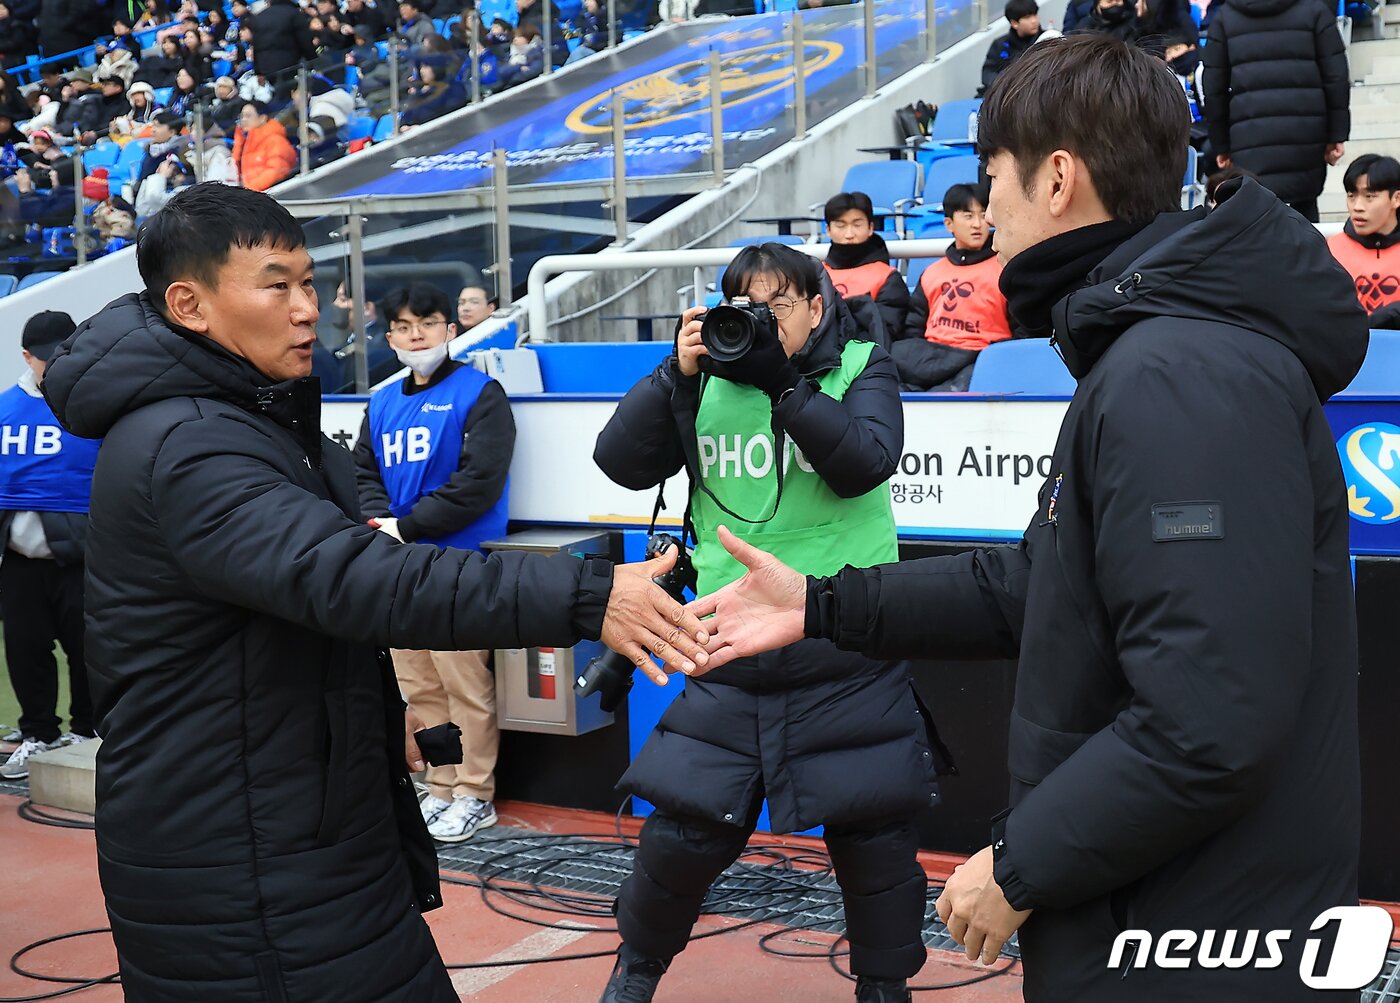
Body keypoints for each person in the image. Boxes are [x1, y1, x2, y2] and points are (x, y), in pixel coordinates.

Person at [689, 36, 1367, 1002]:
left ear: (1056, 179)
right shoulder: (1153, 354)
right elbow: (1043, 583)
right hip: (1158, 905)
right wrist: (820, 603)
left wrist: (1018, 864)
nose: (984, 208)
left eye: (992, 176)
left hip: (1195, 936)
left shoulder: (1180, 372)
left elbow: (1208, 724)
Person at [40, 183, 710, 1002]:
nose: (306, 310)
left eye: (311, 283)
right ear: (190, 303)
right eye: (276, 285)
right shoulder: (187, 443)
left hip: (297, 838)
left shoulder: (242, 415)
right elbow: (349, 574)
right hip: (243, 868)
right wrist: (584, 591)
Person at [592, 242, 944, 1003]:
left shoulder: (859, 365)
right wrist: (670, 376)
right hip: (730, 650)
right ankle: (635, 973)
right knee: (681, 839)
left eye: (776, 304)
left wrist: (782, 383)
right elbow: (618, 460)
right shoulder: (703, 379)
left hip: (846, 645)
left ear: (816, 308)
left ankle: (885, 989)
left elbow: (864, 461)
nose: (757, 318)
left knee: (877, 848)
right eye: (744, 303)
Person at [354, 282, 513, 843]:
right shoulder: (382, 400)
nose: (415, 334)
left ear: (451, 329)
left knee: (464, 682)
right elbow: (363, 475)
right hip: (399, 565)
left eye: (427, 322)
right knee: (418, 685)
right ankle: (441, 784)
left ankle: (475, 792)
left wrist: (409, 524)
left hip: (458, 565)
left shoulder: (480, 393)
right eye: (402, 326)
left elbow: (479, 483)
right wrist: (383, 523)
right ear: (390, 335)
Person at [0, 312, 100, 781]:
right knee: (24, 650)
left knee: (88, 651)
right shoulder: (4, 411)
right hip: (19, 562)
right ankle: (37, 734)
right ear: (27, 358)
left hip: (83, 558)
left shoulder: (97, 408)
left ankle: (87, 734)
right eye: (48, 359)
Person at [1204, 0, 1348, 222]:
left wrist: (1221, 144)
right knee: (1306, 219)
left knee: (1253, 221)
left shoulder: (1224, 18)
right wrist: (1336, 134)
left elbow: (1214, 88)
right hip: (1305, 138)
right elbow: (1336, 77)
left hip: (1248, 141)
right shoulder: (1315, 10)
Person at [894, 183, 1013, 391]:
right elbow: (914, 327)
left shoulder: (1006, 270)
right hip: (930, 358)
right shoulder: (932, 273)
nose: (977, 224)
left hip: (981, 360)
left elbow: (1022, 331)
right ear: (949, 224)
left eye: (983, 215)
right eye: (968, 216)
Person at [821, 191, 910, 337]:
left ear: (870, 228)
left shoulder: (887, 277)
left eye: (857, 225)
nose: (849, 234)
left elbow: (887, 331)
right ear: (828, 230)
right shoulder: (815, 273)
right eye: (840, 226)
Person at [1328, 153, 1400, 326]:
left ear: (1396, 199)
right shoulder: (1331, 250)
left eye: (1370, 197)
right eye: (1351, 196)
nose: (1358, 207)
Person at [980, 0, 1058, 95]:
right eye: (1027, 17)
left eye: (1035, 15)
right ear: (1014, 23)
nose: (1034, 21)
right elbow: (988, 73)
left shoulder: (1049, 39)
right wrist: (1004, 85)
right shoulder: (1000, 44)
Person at [232, 99, 297, 191]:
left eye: (248, 116)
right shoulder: (245, 141)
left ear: (262, 118)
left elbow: (276, 171)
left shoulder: (275, 140)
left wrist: (249, 191)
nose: (243, 120)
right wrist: (238, 140)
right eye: (242, 116)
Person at [1073, 0, 1140, 40]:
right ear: (1098, 6)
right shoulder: (1084, 26)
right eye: (1109, 1)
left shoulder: (1136, 24)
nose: (1114, 4)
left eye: (1117, 1)